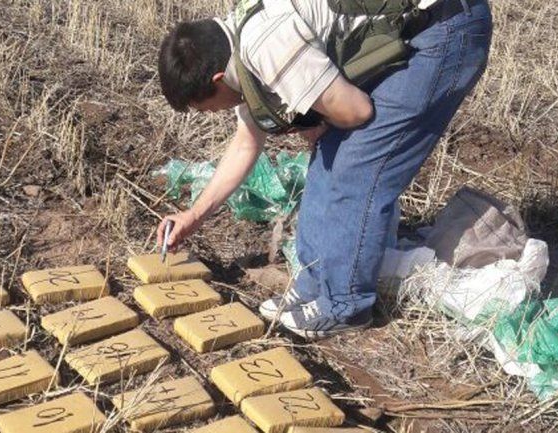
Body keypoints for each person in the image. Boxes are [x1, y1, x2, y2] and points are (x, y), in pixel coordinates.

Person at [156, 0, 492, 339]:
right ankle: (315, 284)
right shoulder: (235, 48)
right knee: (328, 151)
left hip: (446, 27)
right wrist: (194, 215)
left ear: (217, 80)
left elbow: (356, 111)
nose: (211, 114)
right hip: (412, 24)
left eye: (205, 108)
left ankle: (345, 306)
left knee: (357, 166)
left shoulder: (266, 45)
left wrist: (310, 118)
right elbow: (246, 144)